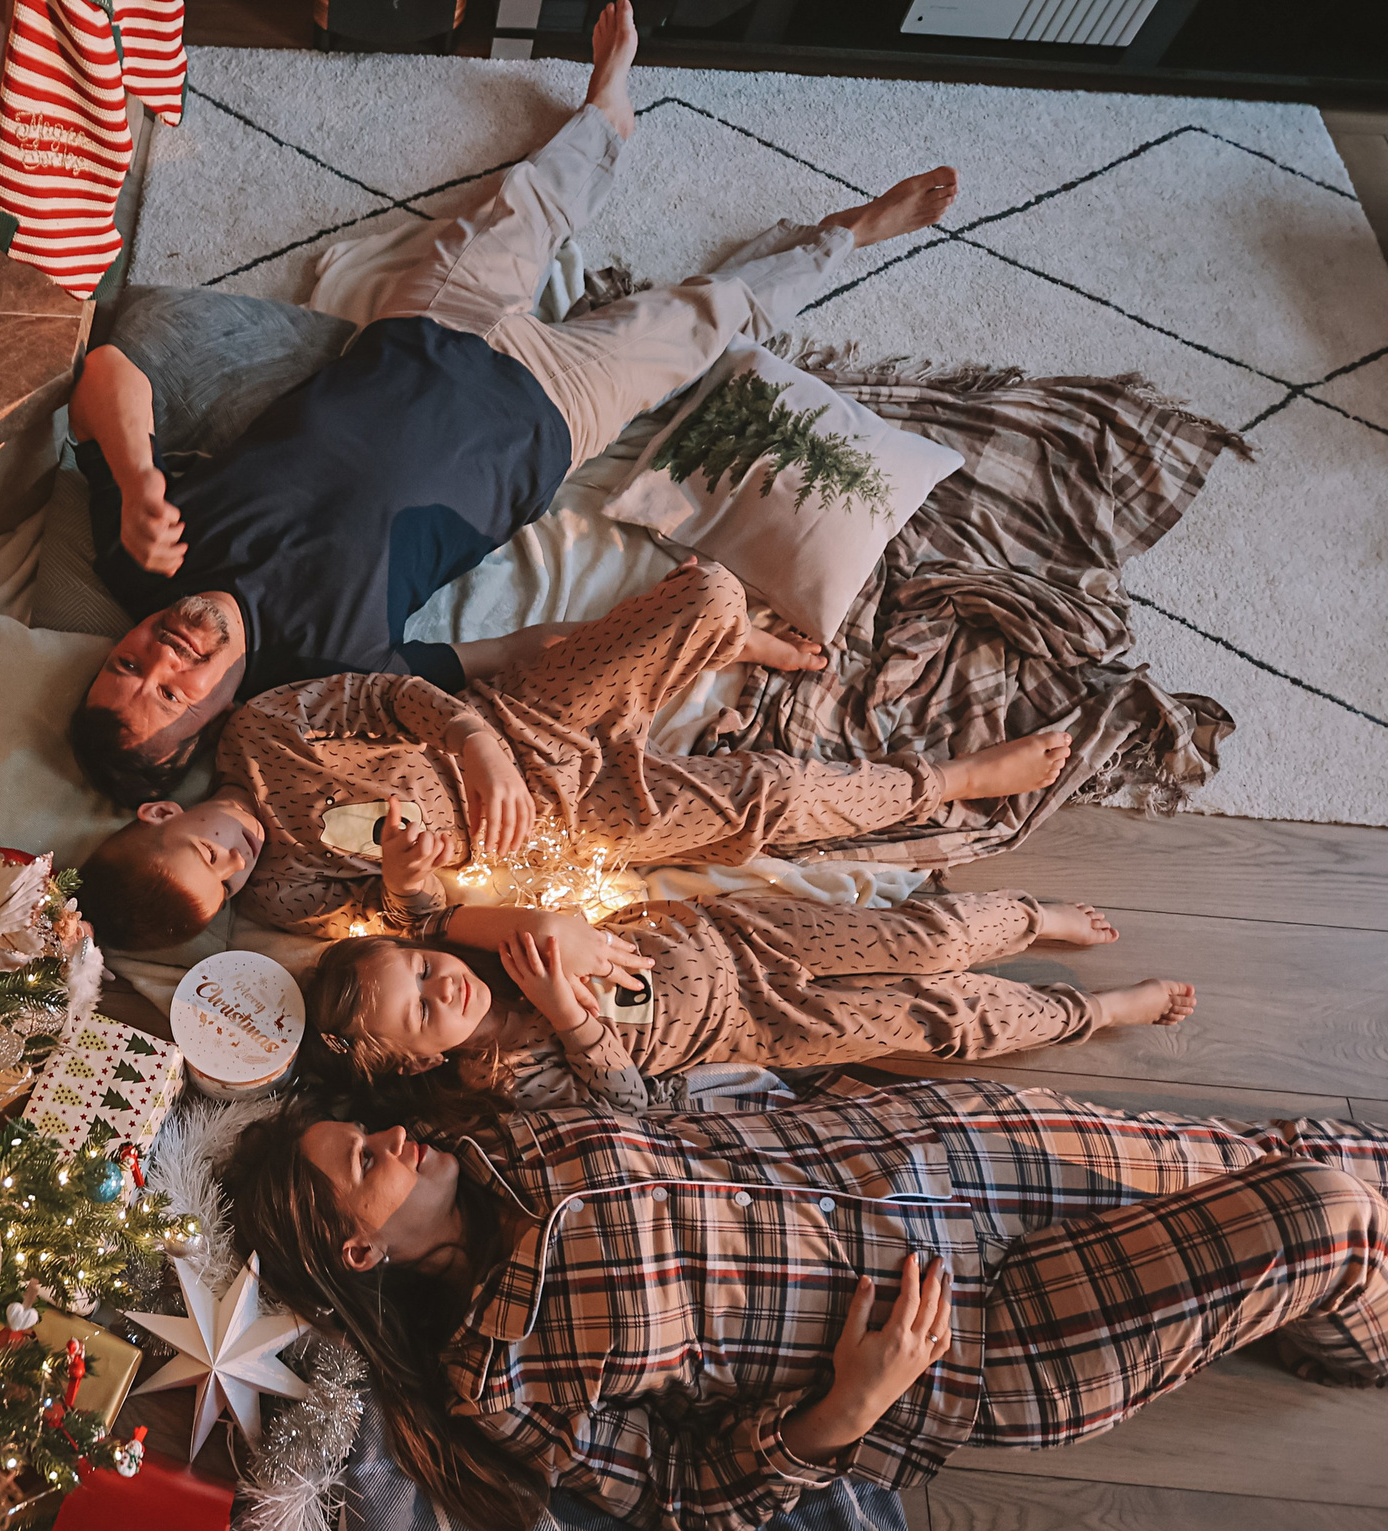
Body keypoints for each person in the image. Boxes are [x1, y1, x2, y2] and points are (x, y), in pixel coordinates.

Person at [65, 0, 960, 805]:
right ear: (216, 717)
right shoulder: (332, 669)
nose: (163, 654)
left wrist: (139, 473)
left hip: (430, 330)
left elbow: (109, 368)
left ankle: (607, 108)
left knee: (526, 201)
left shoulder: (138, 561)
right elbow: (516, 656)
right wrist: (732, 640)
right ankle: (848, 235)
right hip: (552, 415)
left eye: (127, 664)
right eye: (172, 694)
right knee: (711, 317)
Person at [218, 1078, 1388, 1531]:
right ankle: (1382, 1353)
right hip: (979, 1329)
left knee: (1286, 1149)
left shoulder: (517, 1137)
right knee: (1325, 1208)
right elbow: (681, 1498)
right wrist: (846, 1406)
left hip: (954, 1160)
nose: (392, 1135)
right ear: (357, 1243)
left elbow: (693, 1125)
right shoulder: (497, 1377)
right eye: (365, 1157)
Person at [73, 562, 1072, 950]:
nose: (236, 861)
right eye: (226, 882)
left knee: (716, 593)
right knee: (759, 799)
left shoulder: (258, 733)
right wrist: (407, 883)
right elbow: (410, 927)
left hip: (522, 719)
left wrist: (475, 745)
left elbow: (386, 693)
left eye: (210, 854)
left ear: (162, 814)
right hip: (570, 827)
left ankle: (721, 641)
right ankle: (952, 780)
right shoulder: (277, 897)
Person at [298, 891, 1194, 1110]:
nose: (438, 986)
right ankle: (1101, 1011)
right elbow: (623, 1102)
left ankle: (1028, 917)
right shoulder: (505, 1073)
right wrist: (570, 1016)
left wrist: (538, 934)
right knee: (938, 1019)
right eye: (420, 1010)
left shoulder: (485, 946)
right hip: (759, 1024)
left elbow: (433, 904)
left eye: (417, 968)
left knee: (921, 939)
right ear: (422, 1057)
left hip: (737, 937)